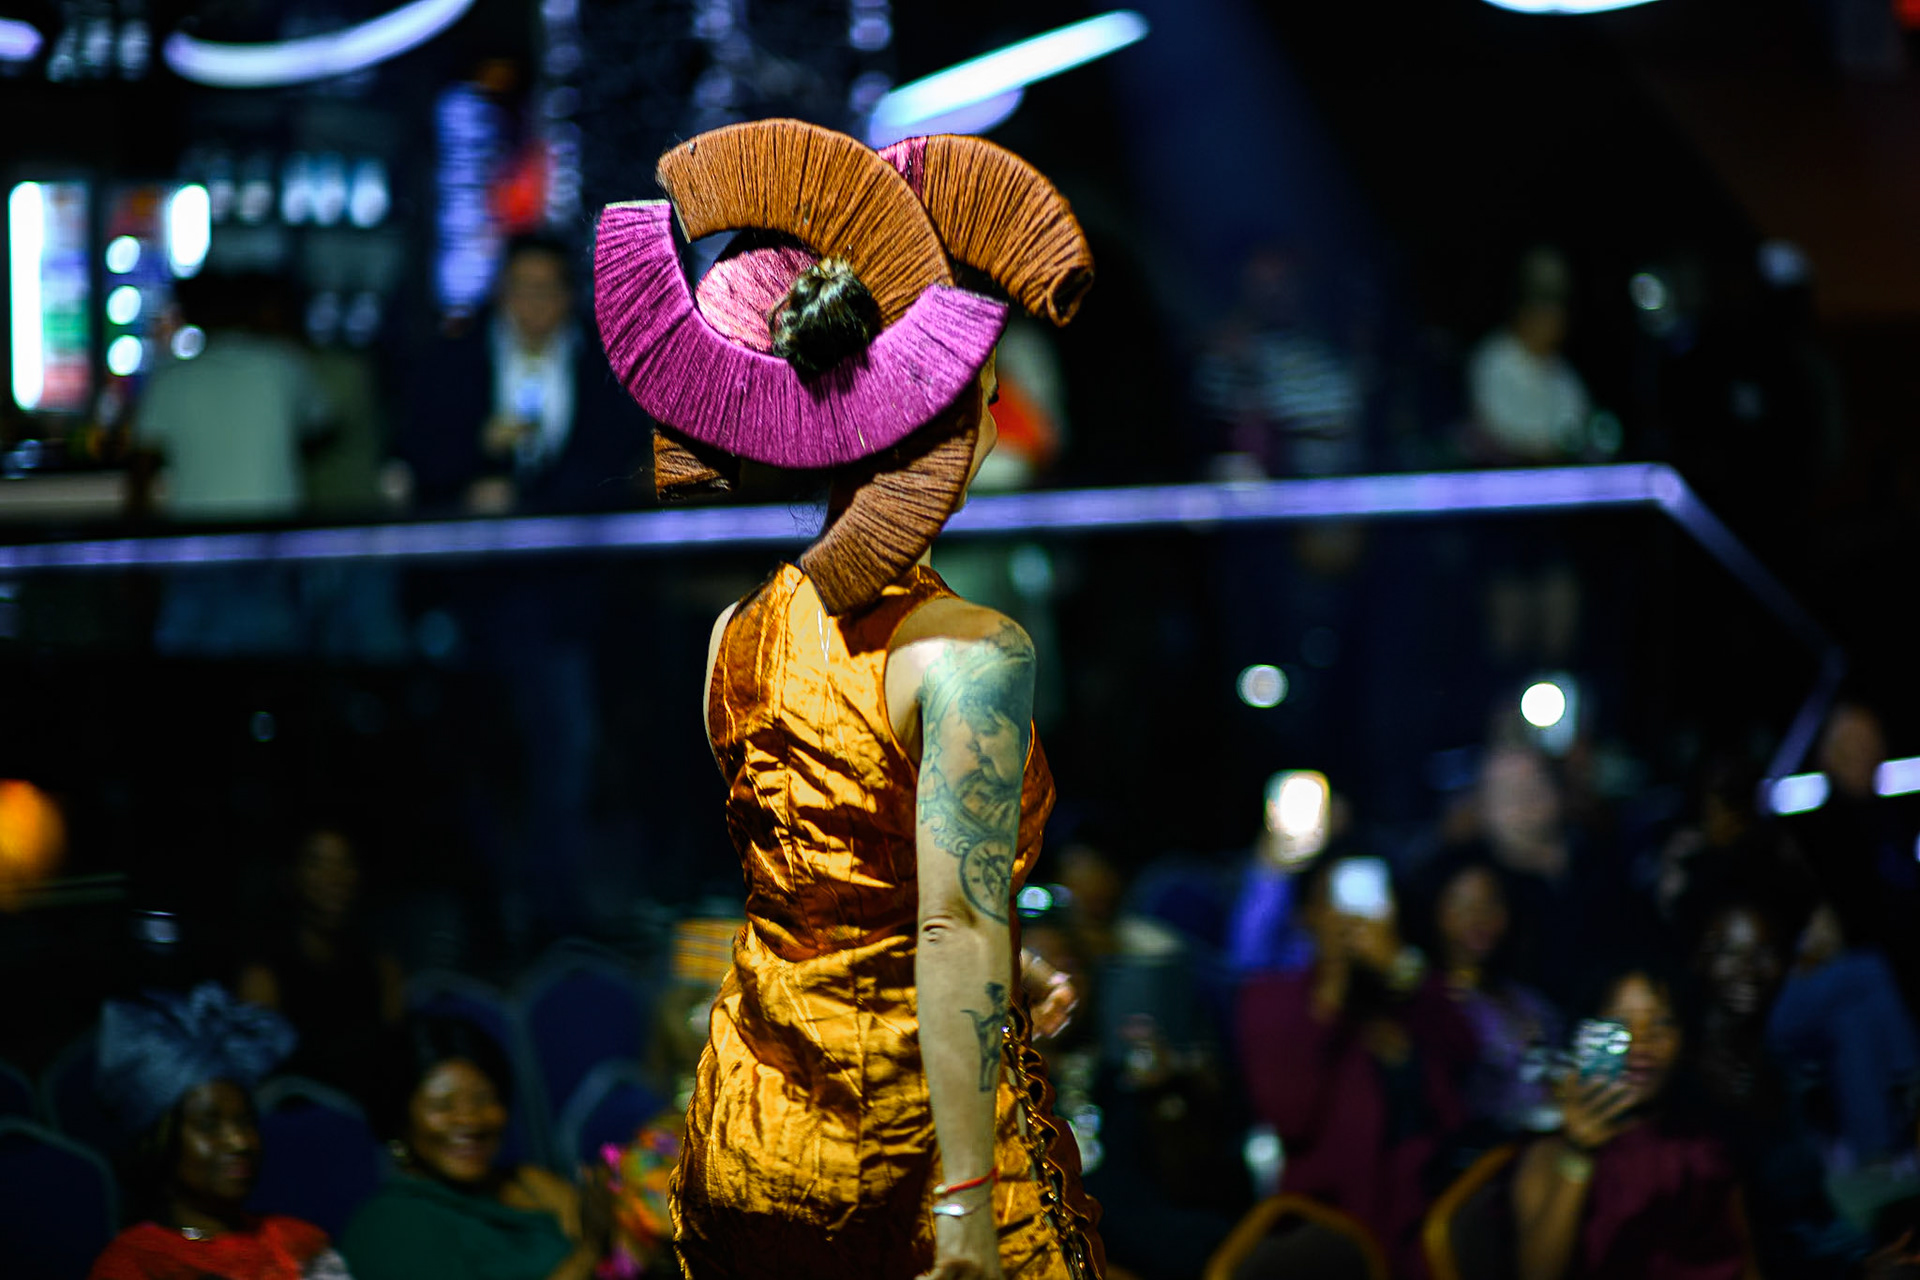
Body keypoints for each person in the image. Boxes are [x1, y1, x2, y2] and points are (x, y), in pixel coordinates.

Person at [590, 120, 1101, 1278]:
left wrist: (1009, 964)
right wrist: (968, 1201)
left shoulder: (735, 635)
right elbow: (945, 921)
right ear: (947, 425)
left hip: (752, 1130)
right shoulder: (971, 651)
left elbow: (822, 880)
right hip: (913, 1152)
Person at [1237, 852, 1479, 1277]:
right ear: (1309, 915)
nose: (1353, 917)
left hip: (1427, 1211)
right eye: (1337, 901)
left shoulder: (1406, 998)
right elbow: (1290, 1115)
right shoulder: (1271, 998)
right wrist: (1331, 987)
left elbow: (1466, 1054)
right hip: (1330, 1228)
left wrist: (1401, 968)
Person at [1510, 960, 1751, 1280]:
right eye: (1620, 1024)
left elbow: (1744, 1259)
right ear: (1586, 1039)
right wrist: (1579, 1153)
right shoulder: (1549, 1153)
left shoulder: (1700, 1145)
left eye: (1661, 1023)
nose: (1641, 1043)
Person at [89, 981, 346, 1280]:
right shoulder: (136, 1266)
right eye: (210, 1126)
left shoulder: (298, 1242)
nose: (239, 1142)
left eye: (245, 1122)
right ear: (160, 1140)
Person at [338, 1015, 610, 1280]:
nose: (470, 1120)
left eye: (484, 1100)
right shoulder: (388, 1227)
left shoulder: (529, 1183)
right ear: (398, 1119)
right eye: (442, 1106)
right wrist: (589, 1252)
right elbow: (592, 1248)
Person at [401, 234, 648, 514]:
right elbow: (421, 454)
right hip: (476, 541)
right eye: (522, 288)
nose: (533, 303)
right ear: (501, 292)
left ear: (567, 294)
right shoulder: (451, 361)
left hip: (582, 538)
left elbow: (624, 457)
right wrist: (479, 449)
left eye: (545, 289)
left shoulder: (608, 364)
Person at [133, 271, 334, 521]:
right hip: (276, 529)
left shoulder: (172, 378)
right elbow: (322, 428)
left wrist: (139, 536)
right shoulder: (281, 363)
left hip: (196, 532)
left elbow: (142, 468)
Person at [235, 826, 404, 1107]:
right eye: (318, 863)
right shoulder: (264, 976)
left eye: (344, 862)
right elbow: (256, 1081)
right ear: (291, 875)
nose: (334, 877)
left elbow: (398, 1062)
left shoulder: (382, 968)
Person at [1409, 847, 1562, 1136]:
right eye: (1462, 905)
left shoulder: (1527, 1000)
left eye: (1490, 903)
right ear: (1433, 910)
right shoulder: (1425, 999)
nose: (1478, 918)